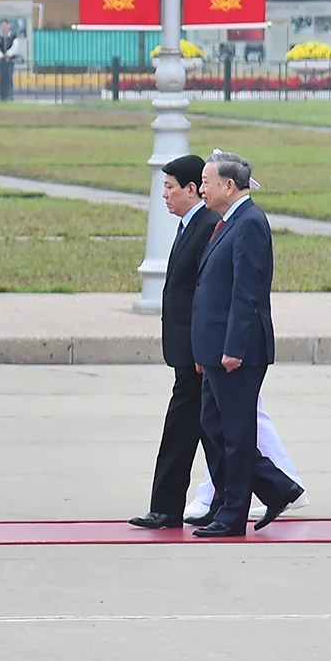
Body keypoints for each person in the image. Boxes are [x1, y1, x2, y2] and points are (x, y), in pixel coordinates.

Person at [188, 150, 302, 538]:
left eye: (207, 182)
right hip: (215, 349)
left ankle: (233, 513)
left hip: (237, 351)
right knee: (213, 426)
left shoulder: (250, 223)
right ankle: (269, 488)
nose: (201, 189)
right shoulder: (227, 222)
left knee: (236, 433)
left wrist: (233, 348)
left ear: (229, 186)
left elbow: (247, 292)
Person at [129, 155, 215, 529]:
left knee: (184, 430)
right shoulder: (188, 225)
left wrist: (200, 347)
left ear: (192, 189)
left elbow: (205, 294)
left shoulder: (208, 226)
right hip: (188, 351)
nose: (163, 194)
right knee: (210, 431)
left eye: (169, 187)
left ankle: (166, 508)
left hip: (196, 353)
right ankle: (260, 493)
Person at [0, 19, 20, 101]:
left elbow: (15, 47)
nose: (4, 27)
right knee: (1, 78)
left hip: (10, 61)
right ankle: (1, 95)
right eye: (2, 26)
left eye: (5, 25)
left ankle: (9, 95)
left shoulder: (13, 37)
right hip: (1, 60)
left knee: (9, 77)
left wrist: (8, 55)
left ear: (9, 26)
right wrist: (2, 56)